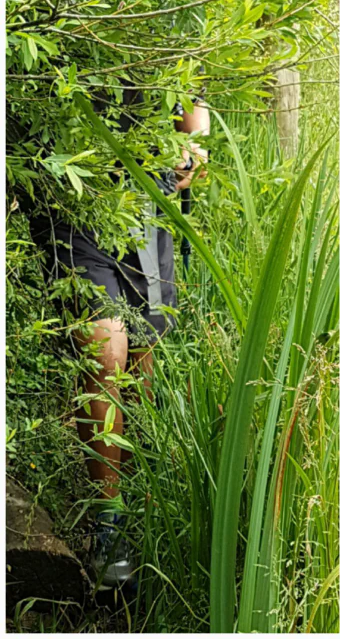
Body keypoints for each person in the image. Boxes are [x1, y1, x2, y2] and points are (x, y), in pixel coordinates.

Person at [28, 96, 209, 591]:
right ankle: (107, 525)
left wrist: (192, 149)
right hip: (73, 205)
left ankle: (135, 509)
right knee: (106, 351)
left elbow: (192, 99)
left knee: (139, 374)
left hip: (147, 205)